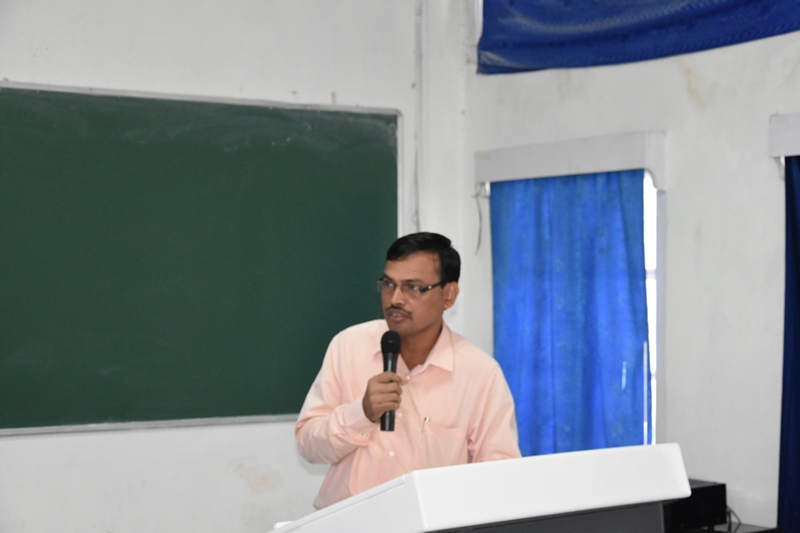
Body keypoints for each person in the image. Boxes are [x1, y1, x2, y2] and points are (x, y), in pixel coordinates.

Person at [295, 232, 521, 509]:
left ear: (449, 295)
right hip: (350, 521)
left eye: (413, 287)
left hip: (430, 522)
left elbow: (499, 473)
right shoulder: (348, 346)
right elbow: (308, 446)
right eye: (388, 284)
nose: (395, 299)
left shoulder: (479, 373)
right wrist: (361, 413)